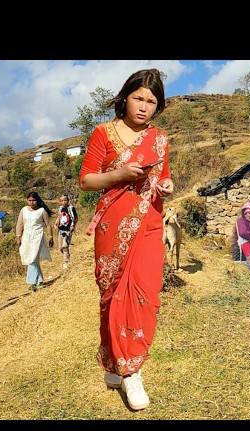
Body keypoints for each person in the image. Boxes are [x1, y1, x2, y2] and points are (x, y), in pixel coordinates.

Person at [79, 69, 173, 411]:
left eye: (152, 101)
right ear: (125, 97)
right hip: (112, 227)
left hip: (148, 224)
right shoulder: (103, 133)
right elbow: (87, 180)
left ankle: (132, 369)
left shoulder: (160, 139)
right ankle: (116, 365)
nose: (144, 106)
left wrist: (168, 185)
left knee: (144, 296)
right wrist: (117, 175)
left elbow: (164, 176)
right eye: (139, 98)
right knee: (113, 296)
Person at [16, 191, 54, 291]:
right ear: (27, 200)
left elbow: (48, 224)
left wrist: (50, 236)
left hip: (38, 237)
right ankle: (39, 281)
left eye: (34, 200)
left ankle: (32, 282)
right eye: (30, 200)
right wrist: (18, 236)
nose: (32, 202)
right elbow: (20, 224)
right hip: (26, 237)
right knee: (30, 258)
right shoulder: (23, 210)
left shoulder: (42, 211)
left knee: (33, 259)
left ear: (37, 200)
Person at [54, 194, 78, 269]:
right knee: (60, 247)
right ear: (60, 202)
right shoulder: (60, 208)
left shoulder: (71, 208)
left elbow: (75, 218)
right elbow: (59, 216)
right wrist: (56, 223)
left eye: (65, 200)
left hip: (68, 230)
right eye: (62, 200)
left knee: (65, 246)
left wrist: (73, 226)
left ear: (68, 201)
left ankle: (66, 262)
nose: (64, 202)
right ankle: (67, 255)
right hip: (61, 230)